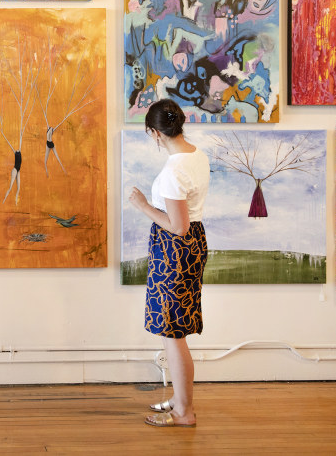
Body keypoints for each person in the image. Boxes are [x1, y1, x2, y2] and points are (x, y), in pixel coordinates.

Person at [127, 98, 210, 428]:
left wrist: (143, 205)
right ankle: (179, 400)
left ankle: (184, 412)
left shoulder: (174, 170)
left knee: (172, 334)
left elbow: (178, 225)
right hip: (189, 246)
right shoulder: (196, 155)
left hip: (174, 251)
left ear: (154, 133)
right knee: (174, 331)